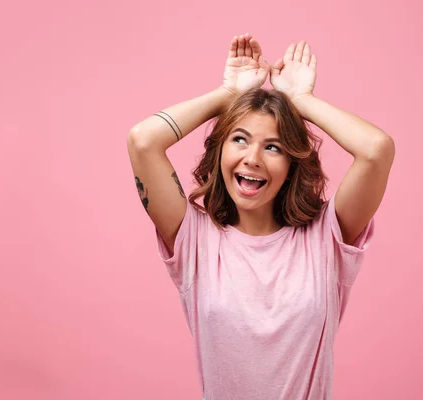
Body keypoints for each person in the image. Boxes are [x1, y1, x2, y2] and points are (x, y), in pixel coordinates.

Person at [127, 33, 395, 400]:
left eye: (273, 147)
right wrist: (227, 95)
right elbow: (143, 140)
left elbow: (376, 150)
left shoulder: (326, 237)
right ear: (219, 153)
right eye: (239, 139)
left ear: (291, 165)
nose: (252, 158)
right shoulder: (195, 240)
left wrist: (301, 100)